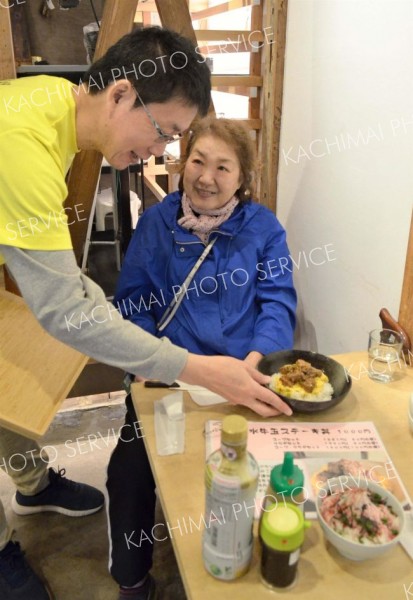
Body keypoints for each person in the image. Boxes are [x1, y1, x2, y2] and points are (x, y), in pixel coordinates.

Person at [0, 26, 292, 600]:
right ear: (122, 95)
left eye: (221, 167)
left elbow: (68, 286)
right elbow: (72, 312)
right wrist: (191, 369)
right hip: (174, 375)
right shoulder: (23, 145)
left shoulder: (54, 117)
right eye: (170, 135)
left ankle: (32, 485)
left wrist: (239, 362)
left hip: (229, 373)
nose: (164, 155)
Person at [107, 117, 297, 599]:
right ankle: (132, 578)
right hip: (167, 375)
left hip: (242, 377)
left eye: (222, 167)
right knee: (128, 474)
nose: (206, 178)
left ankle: (242, 559)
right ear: (181, 161)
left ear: (242, 179)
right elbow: (133, 302)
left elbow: (277, 302)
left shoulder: (265, 229)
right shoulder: (156, 222)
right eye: (197, 160)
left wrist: (252, 365)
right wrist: (156, 364)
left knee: (253, 474)